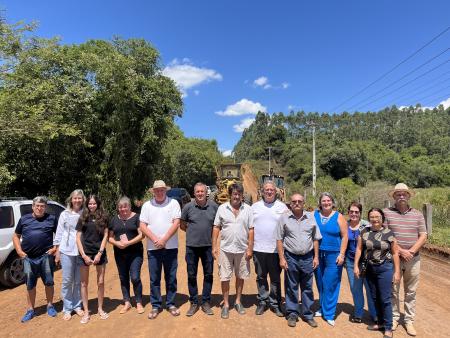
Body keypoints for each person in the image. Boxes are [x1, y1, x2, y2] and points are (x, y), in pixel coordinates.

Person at [383, 183, 427, 336]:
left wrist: (411, 251)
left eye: (404, 194)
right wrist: (401, 251)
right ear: (394, 196)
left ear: (408, 196)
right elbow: (385, 234)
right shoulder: (386, 213)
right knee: (393, 290)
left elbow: (423, 235)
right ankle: (394, 317)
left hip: (413, 259)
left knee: (411, 291)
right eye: (398, 194)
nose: (401, 196)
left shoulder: (418, 214)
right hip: (393, 257)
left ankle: (408, 320)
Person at [276, 193, 321, 328]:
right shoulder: (284, 218)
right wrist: (281, 258)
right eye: (294, 201)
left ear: (303, 203)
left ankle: (307, 314)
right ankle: (292, 314)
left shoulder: (311, 217)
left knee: (307, 287)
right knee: (291, 286)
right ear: (290, 203)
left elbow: (315, 238)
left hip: (307, 257)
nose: (296, 203)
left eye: (299, 201)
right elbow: (279, 239)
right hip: (291, 257)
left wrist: (316, 257)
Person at [354, 208, 400, 338]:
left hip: (385, 268)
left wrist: (397, 272)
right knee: (374, 297)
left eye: (377, 217)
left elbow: (395, 253)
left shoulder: (389, 233)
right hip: (369, 268)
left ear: (382, 218)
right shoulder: (364, 232)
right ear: (369, 218)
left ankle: (388, 327)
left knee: (385, 298)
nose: (374, 219)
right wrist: (356, 266)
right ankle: (380, 322)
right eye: (372, 217)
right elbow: (359, 249)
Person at [12, 196, 58, 322]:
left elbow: (59, 235)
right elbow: (16, 236)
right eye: (37, 206)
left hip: (46, 256)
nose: (39, 208)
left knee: (49, 282)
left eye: (42, 206)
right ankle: (30, 310)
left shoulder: (51, 219)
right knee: (30, 285)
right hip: (28, 258)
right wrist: (19, 251)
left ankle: (50, 305)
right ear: (33, 206)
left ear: (45, 207)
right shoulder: (24, 219)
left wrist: (55, 249)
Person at [139, 180, 181, 319]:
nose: (159, 192)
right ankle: (156, 305)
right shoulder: (147, 205)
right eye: (157, 190)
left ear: (165, 190)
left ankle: (170, 303)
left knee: (171, 277)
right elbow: (143, 225)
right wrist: (156, 239)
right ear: (153, 191)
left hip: (171, 247)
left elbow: (176, 223)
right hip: (153, 248)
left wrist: (164, 239)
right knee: (154, 279)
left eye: (162, 190)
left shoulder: (174, 203)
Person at [212, 183, 254, 319]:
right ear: (230, 195)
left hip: (242, 249)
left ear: (242, 195)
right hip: (226, 249)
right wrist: (214, 246)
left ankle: (237, 301)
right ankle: (226, 304)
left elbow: (251, 229)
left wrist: (250, 248)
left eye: (239, 194)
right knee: (225, 277)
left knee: (240, 276)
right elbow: (216, 227)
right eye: (234, 194)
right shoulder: (222, 208)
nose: (236, 196)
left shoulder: (248, 209)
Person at [180, 182, 218, 316]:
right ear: (194, 193)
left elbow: (217, 226)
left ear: (206, 192)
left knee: (208, 275)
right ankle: (194, 302)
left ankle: (206, 302)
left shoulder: (214, 206)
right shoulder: (188, 207)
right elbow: (182, 224)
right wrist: (193, 234)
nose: (200, 194)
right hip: (192, 247)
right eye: (198, 192)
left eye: (202, 191)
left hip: (208, 247)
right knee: (191, 275)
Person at [251, 181, 288, 317]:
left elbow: (287, 227)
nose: (269, 192)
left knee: (275, 278)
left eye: (271, 189)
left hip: (275, 250)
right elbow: (250, 228)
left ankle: (275, 303)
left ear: (275, 192)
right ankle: (262, 301)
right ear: (262, 191)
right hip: (258, 248)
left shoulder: (282, 207)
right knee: (261, 277)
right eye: (267, 189)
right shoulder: (254, 207)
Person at [313, 192, 348, 326]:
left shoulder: (339, 217)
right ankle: (322, 308)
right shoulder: (315, 215)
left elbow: (345, 236)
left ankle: (329, 313)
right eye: (323, 201)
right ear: (320, 203)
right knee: (320, 283)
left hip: (334, 255)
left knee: (331, 283)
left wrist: (342, 254)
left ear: (332, 202)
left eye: (328, 200)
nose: (326, 203)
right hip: (317, 253)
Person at [76, 195, 109, 324]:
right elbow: (78, 238)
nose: (92, 206)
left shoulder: (104, 217)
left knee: (100, 282)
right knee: (84, 283)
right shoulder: (83, 217)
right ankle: (86, 312)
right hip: (85, 253)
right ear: (87, 205)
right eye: (90, 204)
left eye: (94, 203)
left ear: (98, 204)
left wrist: (100, 253)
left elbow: (106, 235)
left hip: (99, 253)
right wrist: (83, 255)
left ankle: (100, 309)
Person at [108, 196, 144, 314]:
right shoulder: (114, 220)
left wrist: (128, 243)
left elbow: (141, 235)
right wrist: (117, 243)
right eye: (120, 207)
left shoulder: (136, 217)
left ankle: (138, 301)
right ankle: (127, 301)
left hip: (135, 253)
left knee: (135, 277)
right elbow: (110, 237)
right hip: (120, 254)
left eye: (125, 207)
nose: (123, 209)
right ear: (118, 208)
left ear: (129, 207)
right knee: (123, 277)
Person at [54, 189, 85, 320]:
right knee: (67, 280)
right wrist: (57, 251)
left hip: (81, 251)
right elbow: (59, 232)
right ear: (71, 199)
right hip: (66, 251)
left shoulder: (86, 213)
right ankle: (67, 308)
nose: (77, 200)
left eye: (80, 198)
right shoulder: (64, 214)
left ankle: (77, 306)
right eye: (75, 198)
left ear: (83, 200)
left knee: (78, 280)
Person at [344, 201, 377, 324]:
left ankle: (375, 314)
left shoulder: (367, 226)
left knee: (370, 289)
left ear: (360, 213)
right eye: (351, 212)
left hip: (367, 262)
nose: (354, 214)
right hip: (350, 261)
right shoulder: (345, 225)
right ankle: (358, 313)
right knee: (355, 288)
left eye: (356, 212)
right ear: (348, 212)